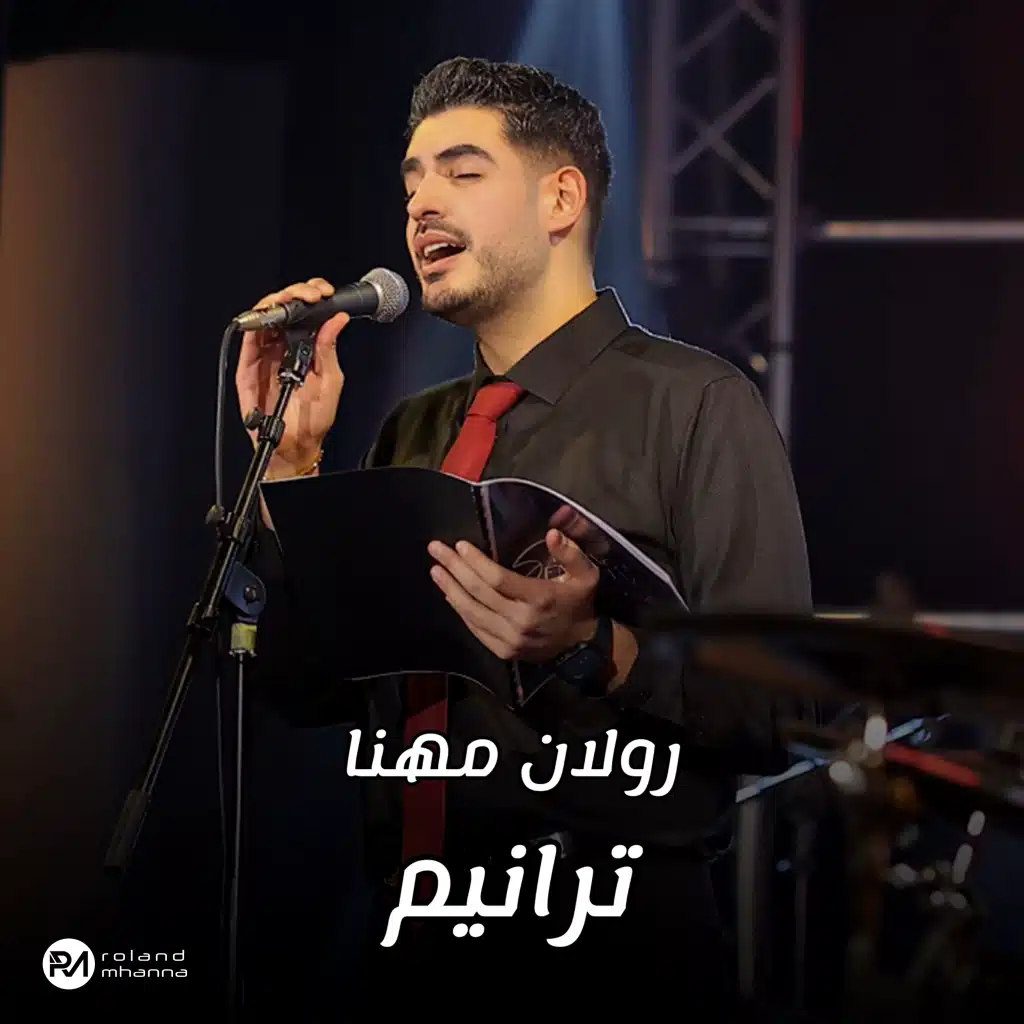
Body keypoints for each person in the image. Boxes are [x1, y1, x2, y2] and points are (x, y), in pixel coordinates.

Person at [238, 57, 811, 1010]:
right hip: (414, 938)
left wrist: (595, 646)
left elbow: (783, 707)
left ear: (561, 199)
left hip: (612, 946)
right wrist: (288, 466)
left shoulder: (696, 403)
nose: (422, 205)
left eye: (462, 172)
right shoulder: (414, 429)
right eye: (412, 183)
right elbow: (308, 691)